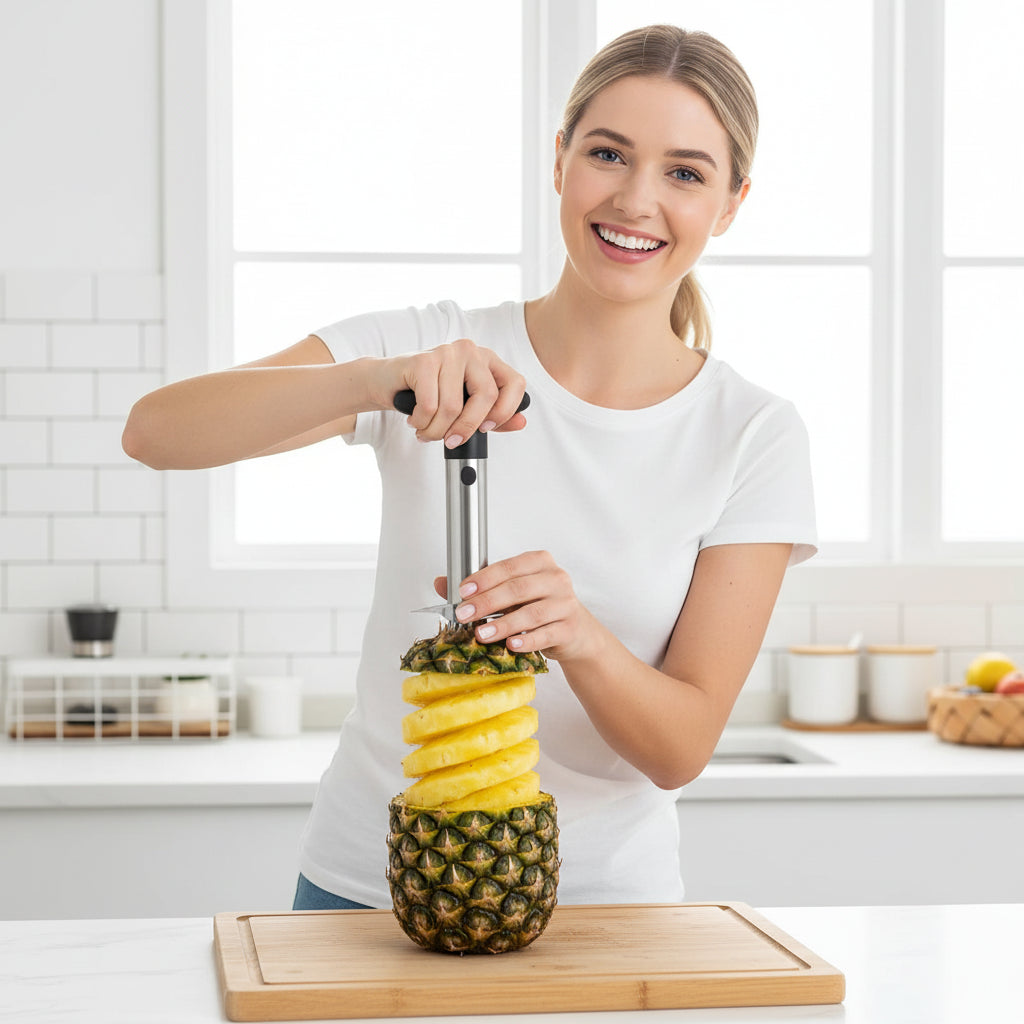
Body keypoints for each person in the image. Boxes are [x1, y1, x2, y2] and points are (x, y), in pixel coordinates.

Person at [122, 25, 816, 910]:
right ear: (560, 160)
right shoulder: (425, 350)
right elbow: (156, 433)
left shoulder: (751, 433)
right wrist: (379, 382)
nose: (638, 199)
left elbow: (680, 749)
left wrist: (578, 636)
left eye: (686, 172)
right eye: (609, 153)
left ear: (730, 204)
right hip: (364, 889)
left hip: (606, 909)